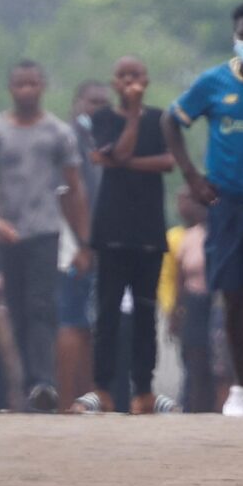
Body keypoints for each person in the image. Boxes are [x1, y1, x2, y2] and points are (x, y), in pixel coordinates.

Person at [162, 1, 243, 417]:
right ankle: (236, 386)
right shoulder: (214, 83)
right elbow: (172, 120)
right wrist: (192, 177)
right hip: (225, 206)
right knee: (232, 296)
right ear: (236, 37)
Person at [0, 60, 92, 412]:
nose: (27, 90)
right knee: (19, 308)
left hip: (45, 229)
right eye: (20, 84)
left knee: (42, 304)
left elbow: (75, 188)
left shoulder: (58, 133)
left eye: (33, 84)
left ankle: (44, 381)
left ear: (42, 86)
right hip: (7, 233)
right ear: (11, 88)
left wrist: (84, 242)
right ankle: (29, 383)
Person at [72, 56, 174, 414]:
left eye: (136, 75)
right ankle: (103, 389)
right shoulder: (103, 119)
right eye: (123, 76)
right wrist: (131, 119)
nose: (130, 81)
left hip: (148, 230)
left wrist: (119, 161)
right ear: (114, 83)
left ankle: (144, 390)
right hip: (111, 229)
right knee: (107, 312)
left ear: (146, 80)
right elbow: (119, 148)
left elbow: (168, 162)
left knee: (146, 313)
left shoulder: (162, 118)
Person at [57, 80, 111, 410]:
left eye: (104, 103)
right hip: (73, 244)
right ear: (77, 102)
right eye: (93, 102)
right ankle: (66, 400)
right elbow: (67, 195)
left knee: (91, 323)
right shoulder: (69, 138)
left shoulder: (102, 141)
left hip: (97, 242)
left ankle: (88, 396)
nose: (98, 109)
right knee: (72, 319)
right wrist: (83, 243)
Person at [168, 187, 214, 413]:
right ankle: (193, 410)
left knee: (216, 364)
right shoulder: (189, 237)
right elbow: (179, 278)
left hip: (217, 304)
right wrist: (175, 313)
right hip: (193, 304)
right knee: (194, 361)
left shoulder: (221, 233)